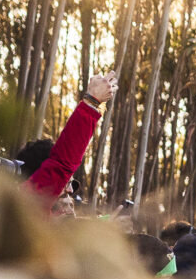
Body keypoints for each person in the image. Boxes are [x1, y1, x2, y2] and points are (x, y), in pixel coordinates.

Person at [14, 71, 118, 204]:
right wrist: (91, 102)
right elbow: (62, 164)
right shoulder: (25, 205)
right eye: (65, 181)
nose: (70, 190)